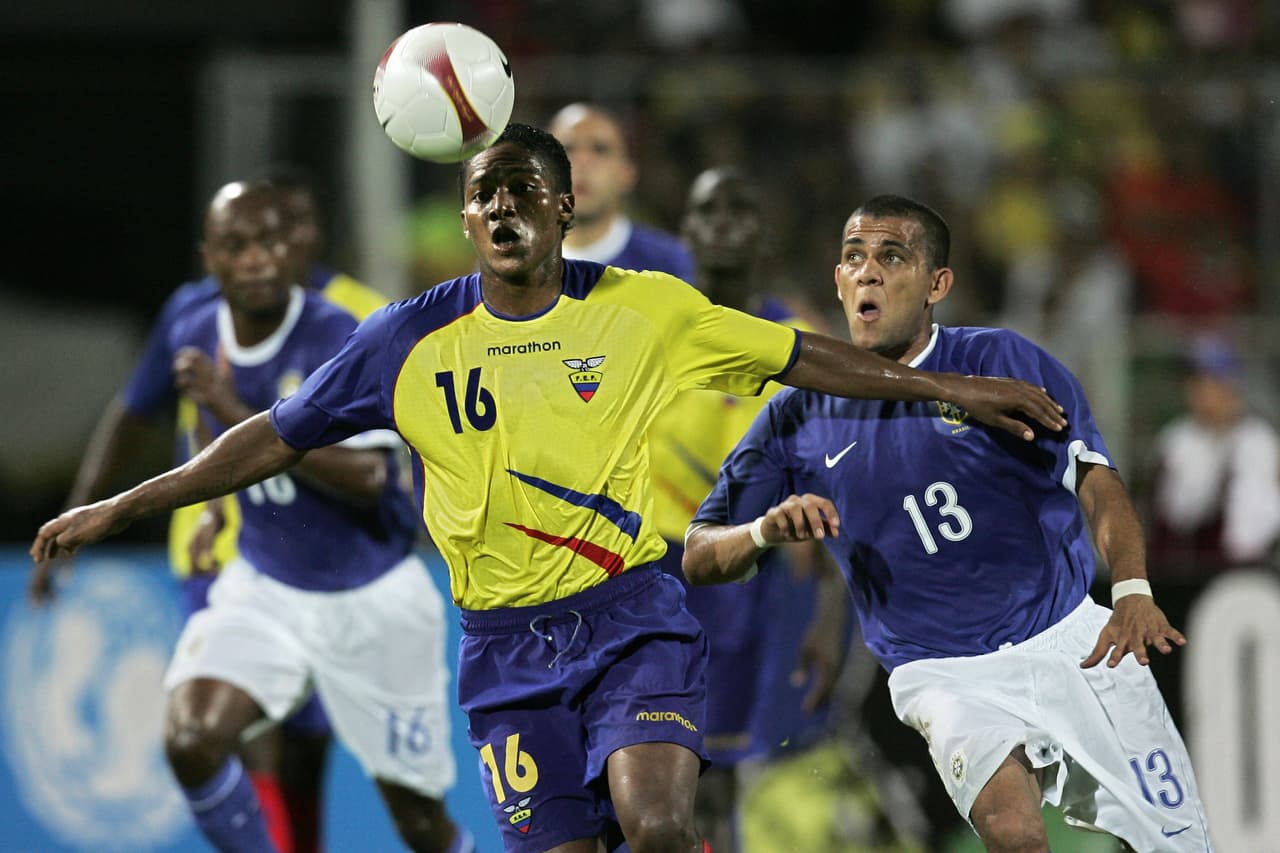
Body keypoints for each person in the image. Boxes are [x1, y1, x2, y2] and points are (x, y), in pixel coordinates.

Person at [32, 126, 1066, 853]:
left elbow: (804, 355)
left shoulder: (646, 309)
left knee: (657, 824)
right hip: (500, 646)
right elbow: (273, 435)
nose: (500, 207)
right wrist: (120, 504)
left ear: (565, 206)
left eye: (522, 189)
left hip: (630, 615)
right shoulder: (405, 338)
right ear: (468, 216)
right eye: (483, 193)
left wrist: (950, 385)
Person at [683, 194, 1213, 852]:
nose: (867, 272)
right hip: (940, 668)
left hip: (1068, 636)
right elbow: (700, 552)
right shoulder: (797, 416)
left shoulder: (1000, 360)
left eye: (891, 256)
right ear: (838, 281)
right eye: (853, 258)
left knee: (1182, 843)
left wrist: (1132, 588)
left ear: (938, 284)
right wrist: (763, 530)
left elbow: (1098, 481)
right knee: (1013, 833)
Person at [31, 181, 470, 853]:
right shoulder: (194, 325)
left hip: (371, 599)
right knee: (192, 736)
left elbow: (372, 477)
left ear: (294, 247)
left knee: (419, 823)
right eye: (237, 245)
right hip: (263, 584)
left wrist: (238, 412)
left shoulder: (340, 332)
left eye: (270, 241)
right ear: (210, 257)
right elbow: (145, 418)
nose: (257, 258)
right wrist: (207, 507)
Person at [649, 166, 848, 850]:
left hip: (736, 582)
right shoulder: (646, 328)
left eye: (741, 209)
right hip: (641, 575)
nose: (724, 223)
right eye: (708, 210)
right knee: (628, 786)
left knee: (712, 782)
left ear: (765, 235)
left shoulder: (801, 342)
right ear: (685, 234)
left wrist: (829, 613)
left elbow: (838, 482)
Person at [548, 102, 695, 279]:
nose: (582, 162)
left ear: (627, 173)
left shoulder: (673, 264)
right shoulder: (511, 265)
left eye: (600, 149)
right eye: (567, 148)